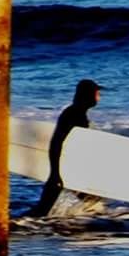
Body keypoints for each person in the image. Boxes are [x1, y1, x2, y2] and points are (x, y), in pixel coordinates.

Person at [26, 79, 103, 217]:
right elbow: (56, 142)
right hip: (62, 169)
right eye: (97, 93)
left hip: (68, 167)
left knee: (92, 201)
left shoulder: (77, 112)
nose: (99, 97)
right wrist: (55, 173)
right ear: (88, 95)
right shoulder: (74, 114)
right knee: (42, 211)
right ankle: (19, 225)